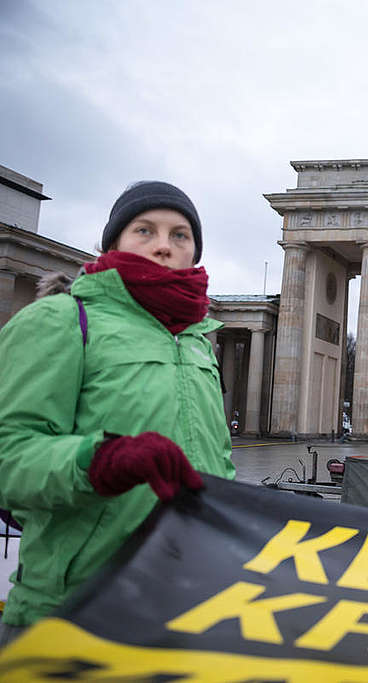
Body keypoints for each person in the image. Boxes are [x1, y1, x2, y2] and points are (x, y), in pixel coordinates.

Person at [0, 181, 235, 644]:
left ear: (194, 252)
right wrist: (98, 461)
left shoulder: (197, 342)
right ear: (113, 242)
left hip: (184, 599)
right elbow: (8, 456)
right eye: (144, 230)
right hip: (74, 605)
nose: (164, 245)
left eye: (180, 235)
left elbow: (219, 465)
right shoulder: (62, 320)